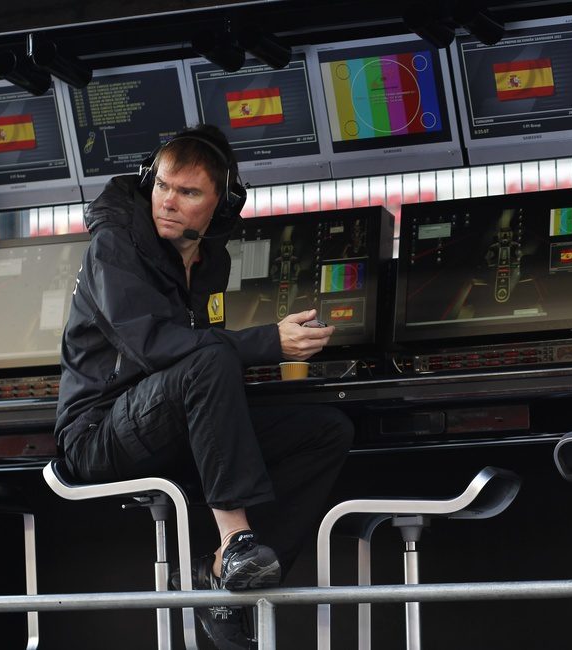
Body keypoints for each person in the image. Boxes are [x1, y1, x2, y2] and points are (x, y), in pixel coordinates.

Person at [54, 124, 354, 649]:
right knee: (209, 352)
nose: (168, 202)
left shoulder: (212, 260)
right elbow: (156, 345)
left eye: (188, 192)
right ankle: (235, 539)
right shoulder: (115, 244)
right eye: (163, 186)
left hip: (166, 424)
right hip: (97, 435)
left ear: (221, 205)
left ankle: (221, 579)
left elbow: (195, 361)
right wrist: (267, 342)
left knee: (326, 430)